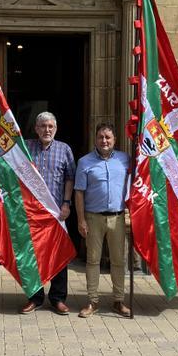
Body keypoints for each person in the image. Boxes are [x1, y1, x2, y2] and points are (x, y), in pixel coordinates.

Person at [21, 111, 75, 315]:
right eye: (43, 126)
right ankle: (35, 298)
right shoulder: (25, 147)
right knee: (33, 258)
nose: (47, 130)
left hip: (56, 213)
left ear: (56, 129)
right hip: (32, 213)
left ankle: (58, 298)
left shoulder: (64, 149)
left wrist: (66, 203)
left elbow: (70, 177)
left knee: (58, 255)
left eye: (51, 126)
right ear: (36, 129)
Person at [75, 122, 131, 318]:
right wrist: (81, 220)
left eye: (108, 137)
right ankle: (92, 301)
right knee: (92, 261)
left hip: (117, 217)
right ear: (95, 139)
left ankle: (119, 300)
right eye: (101, 137)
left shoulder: (125, 159)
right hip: (93, 218)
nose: (104, 141)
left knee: (118, 261)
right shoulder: (85, 162)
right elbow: (79, 193)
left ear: (114, 139)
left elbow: (134, 187)